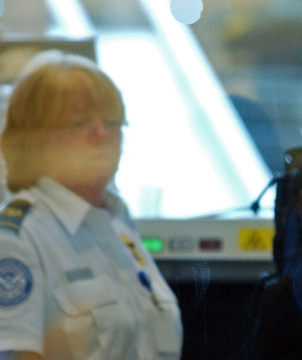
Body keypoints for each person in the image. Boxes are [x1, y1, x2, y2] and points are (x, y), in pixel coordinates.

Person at [0, 51, 182, 359]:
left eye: (111, 121)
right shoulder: (17, 238)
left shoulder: (116, 223)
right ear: (33, 140)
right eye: (78, 123)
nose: (101, 134)